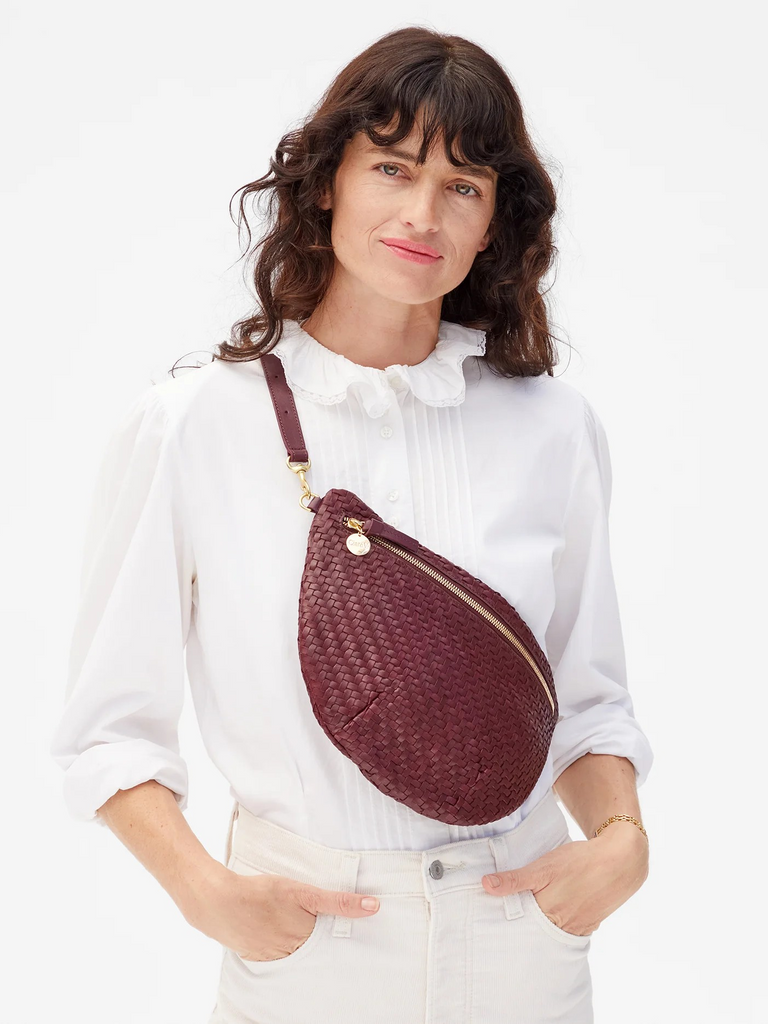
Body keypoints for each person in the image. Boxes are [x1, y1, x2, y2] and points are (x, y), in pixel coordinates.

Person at [49, 25, 653, 1024]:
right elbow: (110, 729)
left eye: (463, 185)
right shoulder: (193, 425)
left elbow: (586, 701)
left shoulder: (552, 427)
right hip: (307, 942)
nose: (423, 214)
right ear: (328, 181)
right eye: (392, 167)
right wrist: (209, 895)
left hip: (522, 934)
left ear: (495, 222)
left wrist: (622, 842)